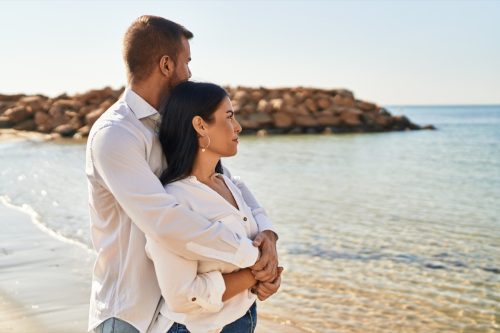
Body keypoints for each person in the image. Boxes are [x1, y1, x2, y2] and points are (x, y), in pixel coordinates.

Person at [86, 15, 280, 333]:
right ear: (166, 65)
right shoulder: (116, 134)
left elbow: (229, 184)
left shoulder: (174, 126)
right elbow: (165, 221)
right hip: (130, 311)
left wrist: (268, 238)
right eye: (186, 62)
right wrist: (250, 259)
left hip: (179, 309)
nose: (189, 73)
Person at [145, 81, 283, 333]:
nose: (238, 126)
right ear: (200, 125)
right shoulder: (175, 199)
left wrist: (270, 253)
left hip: (241, 316)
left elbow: (259, 220)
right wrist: (256, 275)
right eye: (229, 117)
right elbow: (183, 296)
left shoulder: (228, 183)